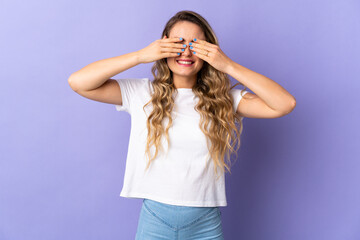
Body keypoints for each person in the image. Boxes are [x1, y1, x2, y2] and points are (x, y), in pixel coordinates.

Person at [68, 10, 296, 240]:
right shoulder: (142, 93)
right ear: (163, 47)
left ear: (209, 51)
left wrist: (228, 66)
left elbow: (285, 104)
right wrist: (140, 55)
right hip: (155, 220)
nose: (186, 51)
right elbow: (78, 82)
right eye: (178, 43)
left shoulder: (224, 100)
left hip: (205, 224)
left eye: (196, 45)